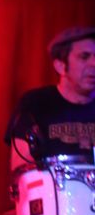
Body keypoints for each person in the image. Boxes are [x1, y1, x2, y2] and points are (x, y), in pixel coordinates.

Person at [6, 26, 95, 174]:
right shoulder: (35, 103)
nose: (94, 64)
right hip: (51, 188)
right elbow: (21, 168)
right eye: (84, 57)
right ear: (60, 66)